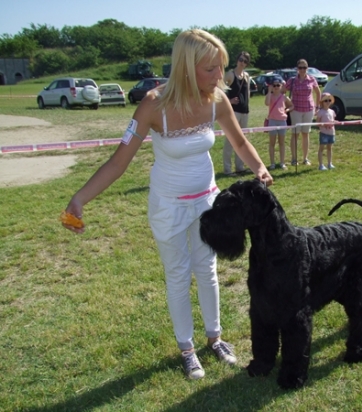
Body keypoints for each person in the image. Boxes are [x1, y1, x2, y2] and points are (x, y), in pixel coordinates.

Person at [61, 29, 273, 380]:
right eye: (210, 69)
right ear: (186, 67)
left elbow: (239, 142)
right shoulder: (153, 105)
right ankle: (187, 348)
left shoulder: (217, 99)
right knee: (178, 274)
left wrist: (260, 168)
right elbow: (118, 162)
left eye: (221, 67)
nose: (220, 77)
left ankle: (215, 338)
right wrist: (80, 198)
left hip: (207, 202)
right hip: (168, 207)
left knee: (207, 269)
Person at [285, 59, 321, 166]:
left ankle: (305, 158)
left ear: (307, 68)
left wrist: (317, 106)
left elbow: (318, 92)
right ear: (297, 68)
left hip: (309, 109)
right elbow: (282, 91)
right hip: (295, 110)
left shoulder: (312, 79)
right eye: (300, 67)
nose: (302, 70)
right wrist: (288, 104)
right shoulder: (292, 80)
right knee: (295, 134)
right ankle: (294, 159)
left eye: (304, 67)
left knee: (305, 134)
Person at [223, 51, 251, 176]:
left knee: (241, 140)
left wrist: (247, 106)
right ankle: (227, 169)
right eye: (241, 60)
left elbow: (247, 93)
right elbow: (219, 89)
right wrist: (229, 101)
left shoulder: (246, 76)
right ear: (237, 60)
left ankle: (240, 166)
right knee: (230, 140)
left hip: (244, 111)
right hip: (233, 112)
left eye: (245, 61)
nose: (242, 63)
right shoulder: (230, 74)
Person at [265, 75, 294, 170]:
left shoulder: (284, 97)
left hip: (282, 121)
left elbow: (292, 106)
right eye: (274, 85)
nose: (276, 87)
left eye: (278, 85)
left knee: (282, 143)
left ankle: (282, 162)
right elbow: (267, 103)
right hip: (272, 121)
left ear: (281, 86)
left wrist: (287, 110)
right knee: (272, 143)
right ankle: (272, 163)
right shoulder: (270, 96)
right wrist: (269, 91)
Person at [316, 92, 336, 171]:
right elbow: (317, 123)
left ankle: (330, 163)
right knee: (321, 148)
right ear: (322, 102)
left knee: (329, 148)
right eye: (325, 100)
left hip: (331, 132)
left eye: (329, 100)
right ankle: (321, 165)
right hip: (324, 133)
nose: (328, 102)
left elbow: (333, 120)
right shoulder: (320, 112)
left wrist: (334, 122)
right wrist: (324, 125)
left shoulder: (332, 111)